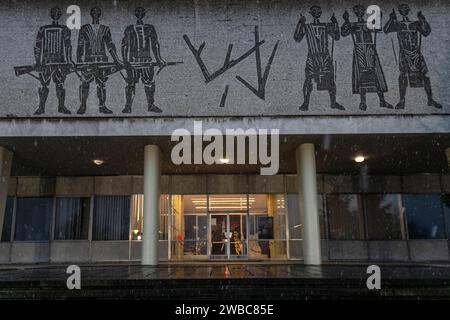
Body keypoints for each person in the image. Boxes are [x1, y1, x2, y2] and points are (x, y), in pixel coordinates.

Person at [383, 4, 441, 109]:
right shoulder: (398, 24)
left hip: (416, 52)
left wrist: (423, 20)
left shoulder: (415, 24)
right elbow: (386, 30)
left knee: (425, 75)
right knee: (403, 75)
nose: (403, 11)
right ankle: (402, 100)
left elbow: (426, 32)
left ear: (408, 10)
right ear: (399, 11)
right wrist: (391, 19)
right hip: (404, 53)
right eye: (401, 9)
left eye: (405, 9)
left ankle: (430, 99)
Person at [341, 5, 393, 111]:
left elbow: (378, 27)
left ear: (364, 12)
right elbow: (343, 33)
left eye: (361, 11)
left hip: (369, 48)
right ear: (355, 13)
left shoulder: (368, 23)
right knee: (361, 75)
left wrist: (379, 16)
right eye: (357, 11)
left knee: (376, 74)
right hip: (359, 49)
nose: (359, 12)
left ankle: (382, 101)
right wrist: (346, 21)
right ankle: (363, 102)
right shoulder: (353, 24)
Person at [294, 5, 345, 111]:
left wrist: (335, 23)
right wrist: (300, 23)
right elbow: (297, 38)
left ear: (321, 13)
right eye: (314, 11)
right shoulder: (307, 26)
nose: (317, 13)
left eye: (318, 11)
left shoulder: (326, 25)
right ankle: (305, 103)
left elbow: (336, 36)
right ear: (311, 13)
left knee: (330, 80)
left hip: (325, 56)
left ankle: (333, 102)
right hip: (312, 56)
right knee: (309, 79)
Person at [76, 7, 121, 114]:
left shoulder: (105, 29)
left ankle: (102, 106)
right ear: (91, 14)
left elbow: (110, 46)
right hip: (88, 61)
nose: (96, 13)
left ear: (100, 14)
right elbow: (80, 45)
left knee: (101, 83)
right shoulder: (84, 28)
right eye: (94, 12)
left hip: (102, 61)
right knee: (85, 83)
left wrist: (117, 59)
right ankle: (83, 105)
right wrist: (79, 60)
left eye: (97, 12)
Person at [121, 7, 166, 113]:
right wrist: (125, 60)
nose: (140, 13)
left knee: (149, 82)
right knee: (130, 83)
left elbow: (155, 44)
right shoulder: (129, 28)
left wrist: (159, 59)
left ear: (144, 14)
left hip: (146, 60)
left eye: (142, 12)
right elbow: (124, 45)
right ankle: (128, 106)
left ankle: (151, 105)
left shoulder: (149, 28)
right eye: (138, 11)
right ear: (135, 13)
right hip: (133, 61)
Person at [33, 7, 73, 115]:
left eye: (57, 13)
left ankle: (61, 106)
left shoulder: (65, 29)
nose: (55, 14)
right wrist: (38, 62)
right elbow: (37, 46)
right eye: (54, 13)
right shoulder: (43, 29)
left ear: (60, 14)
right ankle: (41, 107)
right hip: (46, 61)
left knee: (60, 84)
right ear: (51, 14)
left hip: (60, 61)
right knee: (44, 84)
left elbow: (68, 46)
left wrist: (69, 61)